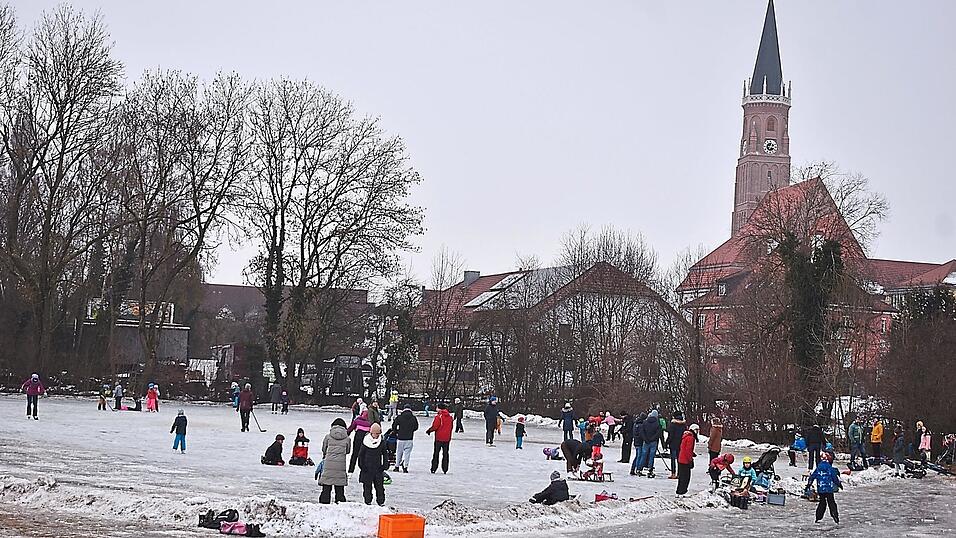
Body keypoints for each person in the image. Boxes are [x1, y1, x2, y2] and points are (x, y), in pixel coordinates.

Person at [317, 418, 350, 504]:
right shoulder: (347, 439)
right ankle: (340, 503)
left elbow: (324, 449)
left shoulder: (328, 437)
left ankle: (324, 503)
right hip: (340, 466)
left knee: (326, 487)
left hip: (328, 464)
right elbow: (348, 451)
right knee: (339, 487)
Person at [358, 423, 388, 506]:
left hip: (378, 468)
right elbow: (361, 455)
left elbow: (385, 454)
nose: (377, 435)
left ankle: (381, 501)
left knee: (379, 487)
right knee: (367, 486)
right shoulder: (366, 442)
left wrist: (384, 465)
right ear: (372, 433)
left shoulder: (381, 442)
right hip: (367, 468)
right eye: (376, 433)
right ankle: (368, 501)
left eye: (379, 433)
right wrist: (362, 466)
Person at [808, 452, 842, 524]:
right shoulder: (830, 468)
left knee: (822, 502)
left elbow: (812, 477)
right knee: (831, 502)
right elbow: (834, 478)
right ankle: (834, 515)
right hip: (829, 489)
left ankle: (818, 517)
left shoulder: (818, 468)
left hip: (821, 489)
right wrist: (839, 484)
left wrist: (809, 484)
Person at [426, 403, 453, 474]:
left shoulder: (439, 416)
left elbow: (435, 426)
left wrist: (429, 430)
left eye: (437, 407)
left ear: (439, 408)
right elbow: (451, 426)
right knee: (445, 453)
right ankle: (445, 468)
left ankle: (434, 468)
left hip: (439, 438)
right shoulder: (450, 417)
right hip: (447, 438)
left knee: (436, 453)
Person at [635, 410, 662, 477]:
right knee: (651, 456)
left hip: (646, 442)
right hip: (653, 442)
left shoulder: (645, 422)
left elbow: (642, 432)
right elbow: (658, 433)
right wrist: (653, 439)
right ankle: (650, 469)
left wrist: (645, 439)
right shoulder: (657, 423)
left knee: (643, 455)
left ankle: (639, 469)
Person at [392, 404, 419, 473]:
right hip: (409, 438)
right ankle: (405, 467)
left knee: (399, 453)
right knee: (407, 454)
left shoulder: (399, 417)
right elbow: (416, 427)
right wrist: (411, 430)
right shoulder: (413, 418)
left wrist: (397, 432)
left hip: (400, 438)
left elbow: (394, 426)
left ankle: (397, 466)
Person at [676, 423, 699, 497]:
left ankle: (679, 491)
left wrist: (692, 453)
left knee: (681, 476)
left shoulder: (686, 436)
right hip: (685, 460)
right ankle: (683, 491)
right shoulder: (691, 438)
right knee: (686, 477)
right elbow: (688, 450)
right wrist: (690, 460)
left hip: (681, 458)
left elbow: (684, 448)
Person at [666, 411, 687, 479]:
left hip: (673, 444)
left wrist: (667, 442)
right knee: (679, 459)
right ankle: (679, 473)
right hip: (681, 444)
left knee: (673, 459)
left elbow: (670, 435)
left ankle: (673, 473)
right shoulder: (684, 425)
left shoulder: (672, 424)